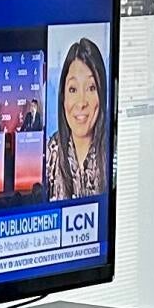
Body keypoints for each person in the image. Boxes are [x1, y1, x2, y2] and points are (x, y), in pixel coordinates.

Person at [46, 37, 110, 200]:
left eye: (91, 88)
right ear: (63, 97)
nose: (81, 103)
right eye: (73, 89)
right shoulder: (51, 152)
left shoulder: (114, 152)